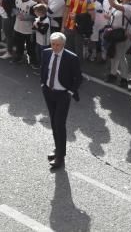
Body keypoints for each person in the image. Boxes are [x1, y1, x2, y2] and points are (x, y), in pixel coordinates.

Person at [39, 32, 82, 171]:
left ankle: (60, 156)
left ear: (63, 44)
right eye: (53, 44)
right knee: (53, 121)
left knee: (59, 123)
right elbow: (43, 69)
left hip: (63, 94)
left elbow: (78, 77)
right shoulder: (46, 53)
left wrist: (70, 92)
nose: (55, 47)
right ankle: (57, 148)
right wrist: (43, 84)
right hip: (49, 92)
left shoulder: (71, 58)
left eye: (58, 45)